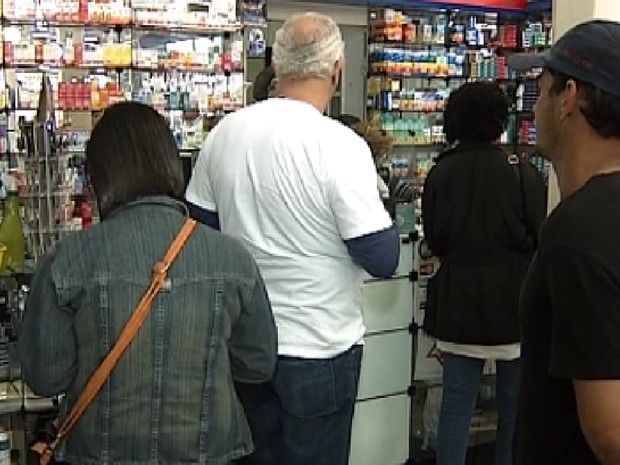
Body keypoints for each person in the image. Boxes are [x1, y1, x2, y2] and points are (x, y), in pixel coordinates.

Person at [185, 12, 399, 465]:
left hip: (246, 345)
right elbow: (382, 256)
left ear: (277, 65)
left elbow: (199, 230)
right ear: (337, 70)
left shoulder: (226, 134)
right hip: (319, 346)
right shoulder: (339, 146)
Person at [19, 102, 277, 465]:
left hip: (98, 453)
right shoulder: (232, 258)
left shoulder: (67, 260)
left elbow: (46, 377)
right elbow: (258, 363)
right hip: (209, 452)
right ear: (171, 164)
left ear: (99, 177)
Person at [509, 20, 620, 465]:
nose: (533, 111)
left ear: (569, 98)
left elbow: (610, 431)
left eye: (543, 90)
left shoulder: (579, 231)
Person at [421, 82, 546, 465]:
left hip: (459, 300)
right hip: (513, 301)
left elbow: (436, 238)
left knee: (457, 404)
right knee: (514, 408)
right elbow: (538, 234)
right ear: (499, 121)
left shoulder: (442, 173)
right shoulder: (521, 171)